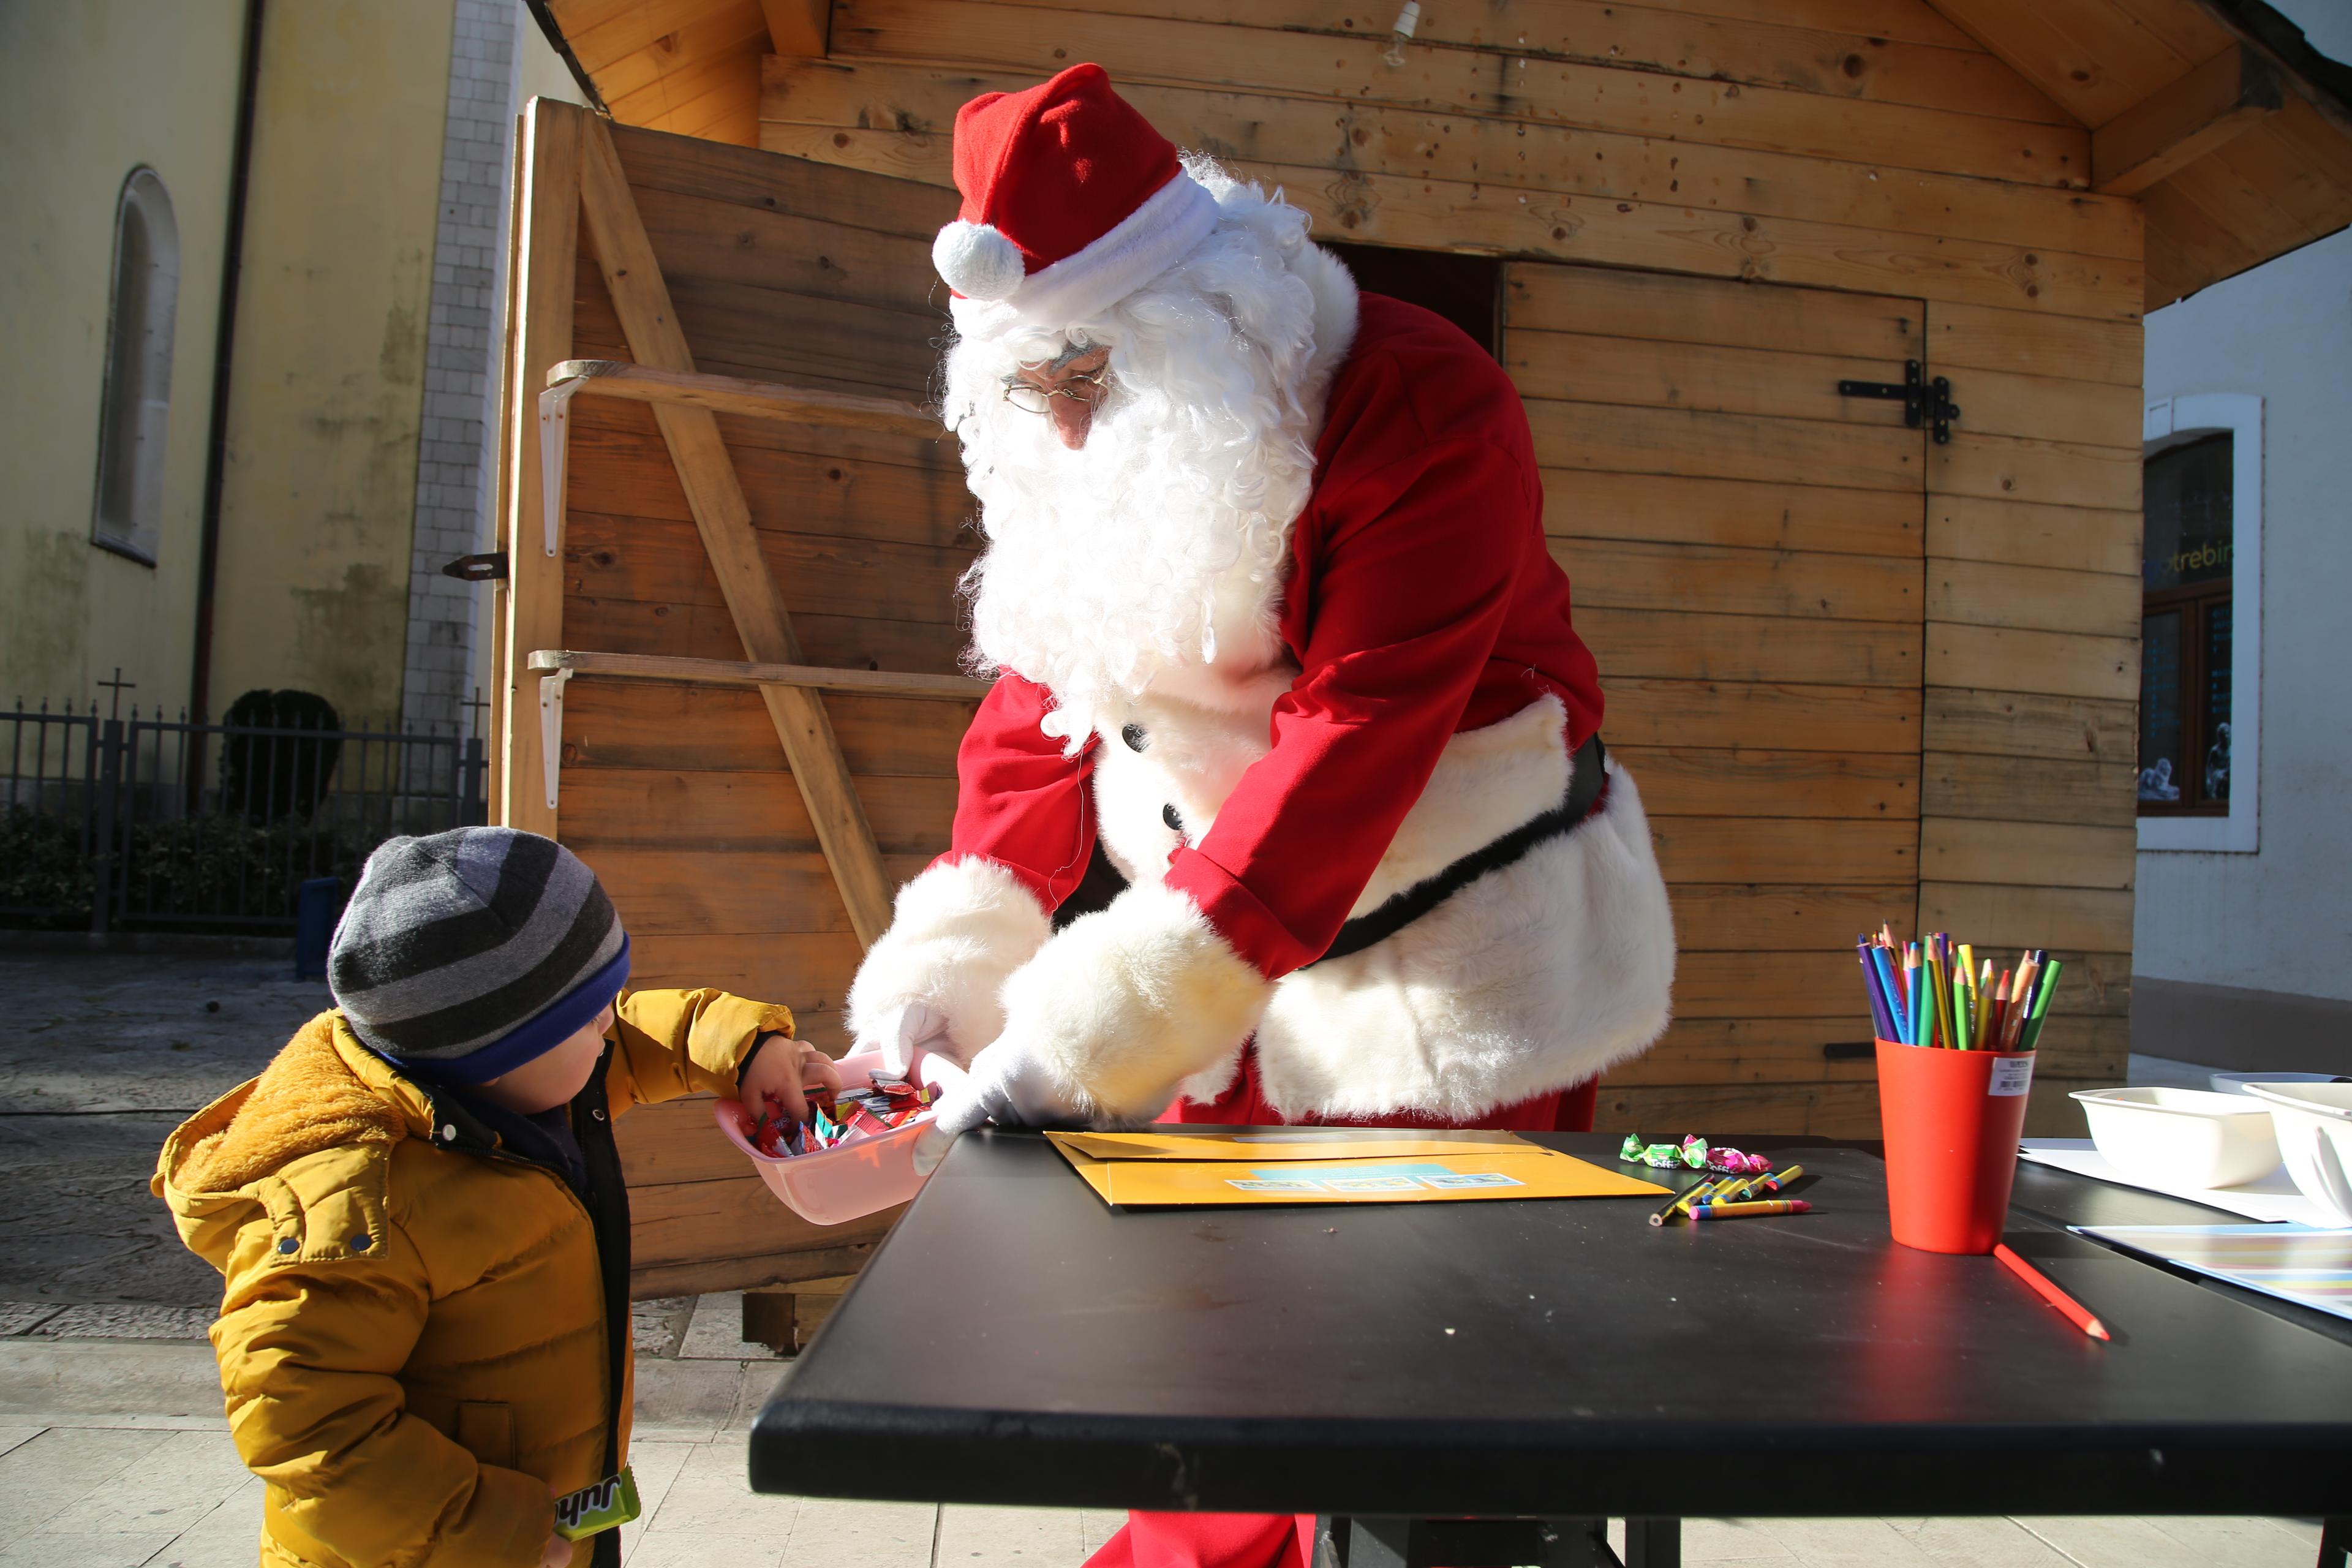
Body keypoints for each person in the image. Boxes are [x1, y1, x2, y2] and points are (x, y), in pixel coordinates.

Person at [846, 63, 1678, 1568]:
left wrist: (1083, 1033)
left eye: (1086, 378)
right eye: (1033, 391)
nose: (1066, 424)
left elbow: (1347, 749)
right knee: (1216, 1342)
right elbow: (1044, 696)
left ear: (1200, 310)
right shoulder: (1085, 422)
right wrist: (959, 967)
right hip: (1224, 936)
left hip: (1459, 937)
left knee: (1424, 1389)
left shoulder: (1426, 406)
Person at [155, 827, 838, 1568]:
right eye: (590, 1015)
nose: (611, 1021)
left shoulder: (525, 1079)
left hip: (550, 1520)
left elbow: (641, 1029)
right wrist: (489, 1528)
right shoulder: (352, 1205)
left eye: (607, 997)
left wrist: (746, 1046)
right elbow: (305, 1425)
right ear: (494, 1053)